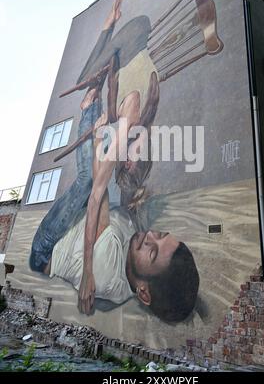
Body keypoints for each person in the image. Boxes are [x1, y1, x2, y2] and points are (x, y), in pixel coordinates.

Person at [30, 93, 200, 322]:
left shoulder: (108, 274)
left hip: (47, 247)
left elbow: (97, 190)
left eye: (152, 251)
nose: (149, 236)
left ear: (143, 292)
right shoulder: (135, 255)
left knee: (88, 179)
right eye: (160, 235)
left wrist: (115, 131)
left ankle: (88, 108)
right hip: (79, 221)